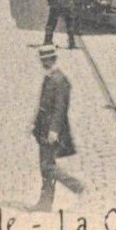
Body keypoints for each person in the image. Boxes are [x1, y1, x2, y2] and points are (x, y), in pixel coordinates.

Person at [32, 44, 85, 212]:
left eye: (44, 60)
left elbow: (60, 108)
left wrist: (54, 130)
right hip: (44, 129)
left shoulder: (60, 80)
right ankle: (45, 202)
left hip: (52, 131)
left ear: (50, 60)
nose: (42, 63)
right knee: (45, 165)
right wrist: (35, 123)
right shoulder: (50, 77)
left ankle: (77, 186)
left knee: (48, 166)